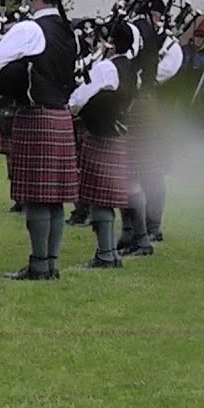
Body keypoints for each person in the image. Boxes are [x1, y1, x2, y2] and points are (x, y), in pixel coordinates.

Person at [0, 0, 78, 281]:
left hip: (35, 116)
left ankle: (38, 264)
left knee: (37, 195)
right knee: (55, 199)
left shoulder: (28, 29)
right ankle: (51, 262)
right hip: (62, 116)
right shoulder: (67, 31)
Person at [69, 20, 138, 268]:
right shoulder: (128, 66)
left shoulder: (106, 67)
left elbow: (80, 99)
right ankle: (113, 250)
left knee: (100, 197)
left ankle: (106, 254)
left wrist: (73, 103)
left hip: (102, 135)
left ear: (110, 43)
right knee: (111, 194)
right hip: (120, 132)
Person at [123, 0, 182, 248]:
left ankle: (153, 226)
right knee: (129, 168)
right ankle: (131, 228)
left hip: (147, 102)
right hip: (130, 103)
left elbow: (165, 71)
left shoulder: (169, 44)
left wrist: (142, 77)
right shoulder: (137, 34)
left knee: (150, 168)